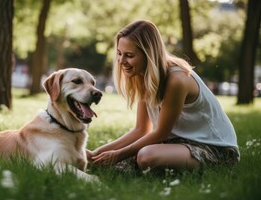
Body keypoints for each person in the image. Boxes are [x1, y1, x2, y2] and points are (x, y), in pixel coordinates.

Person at [87, 20, 239, 172]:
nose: (121, 61)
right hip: (178, 145)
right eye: (119, 54)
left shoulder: (177, 80)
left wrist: (118, 154)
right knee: (112, 166)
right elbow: (141, 130)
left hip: (216, 150)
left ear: (148, 54)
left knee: (145, 156)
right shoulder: (142, 76)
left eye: (129, 55)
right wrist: (96, 154)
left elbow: (160, 133)